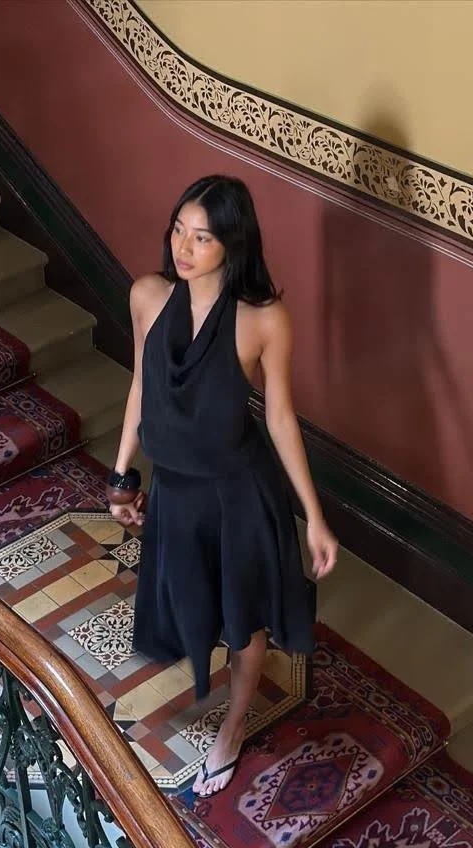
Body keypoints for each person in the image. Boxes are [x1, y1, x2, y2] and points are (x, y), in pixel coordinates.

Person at [105, 175, 338, 797]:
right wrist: (122, 475)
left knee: (243, 623)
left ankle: (233, 728)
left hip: (238, 495)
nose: (183, 247)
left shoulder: (263, 320)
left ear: (233, 244)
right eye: (178, 231)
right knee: (193, 602)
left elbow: (281, 419)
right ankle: (226, 707)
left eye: (202, 238)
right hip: (175, 491)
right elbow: (141, 386)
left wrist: (314, 517)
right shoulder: (148, 295)